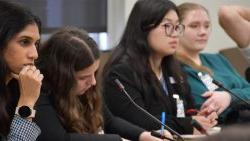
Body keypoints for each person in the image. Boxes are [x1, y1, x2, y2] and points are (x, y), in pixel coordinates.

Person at [35, 27, 171, 141]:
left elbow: (109, 121)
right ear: (61, 76)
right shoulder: (39, 92)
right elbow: (61, 139)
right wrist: (118, 140)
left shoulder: (86, 89)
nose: (93, 82)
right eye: (83, 77)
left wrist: (144, 135)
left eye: (94, 73)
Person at [102, 0, 217, 135]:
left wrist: (200, 116)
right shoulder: (120, 72)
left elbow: (187, 109)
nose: (174, 34)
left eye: (177, 27)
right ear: (144, 28)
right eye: (167, 25)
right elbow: (139, 121)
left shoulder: (174, 69)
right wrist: (188, 123)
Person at [176, 2, 250, 123]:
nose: (203, 32)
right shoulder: (174, 67)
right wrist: (236, 96)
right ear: (177, 29)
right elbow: (207, 107)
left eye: (207, 26)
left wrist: (228, 97)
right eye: (194, 26)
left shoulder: (218, 59)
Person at [0, 0, 43, 141]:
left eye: (36, 43)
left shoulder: (15, 85)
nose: (34, 54)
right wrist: (27, 101)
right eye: (24, 42)